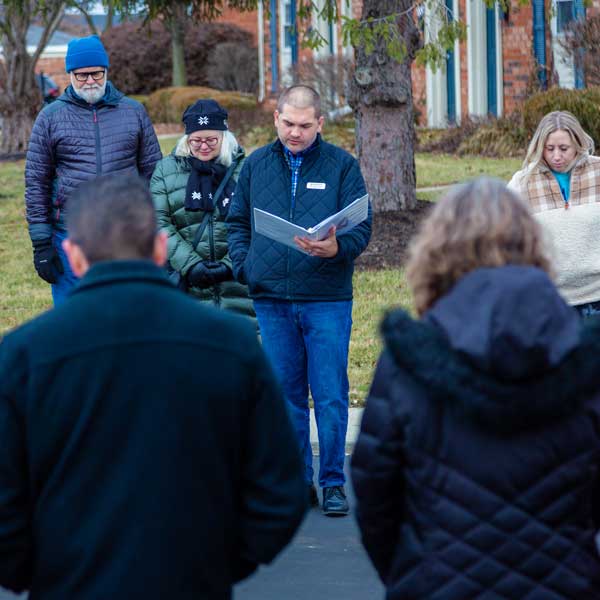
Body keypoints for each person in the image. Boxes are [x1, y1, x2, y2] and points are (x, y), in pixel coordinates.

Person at [0, 174, 307, 600]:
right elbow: (279, 491)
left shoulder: (22, 356)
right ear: (161, 248)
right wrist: (217, 562)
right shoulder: (231, 344)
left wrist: (42, 571)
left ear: (72, 255)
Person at [351, 177, 600, 599]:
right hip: (564, 581)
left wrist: (408, 569)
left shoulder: (410, 359)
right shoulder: (580, 359)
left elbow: (376, 492)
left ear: (438, 249)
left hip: (436, 581)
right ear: (531, 243)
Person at [227, 84, 372, 516]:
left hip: (325, 298)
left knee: (329, 394)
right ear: (276, 119)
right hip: (271, 299)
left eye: (305, 125)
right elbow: (237, 224)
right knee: (285, 396)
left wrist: (337, 248)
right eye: (288, 123)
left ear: (320, 124)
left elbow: (362, 229)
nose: (295, 132)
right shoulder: (254, 166)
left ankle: (332, 483)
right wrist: (245, 267)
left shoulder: (343, 166)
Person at [25, 34, 162, 306]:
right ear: (70, 75)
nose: (90, 81)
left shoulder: (133, 112)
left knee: (127, 314)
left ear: (106, 71)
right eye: (82, 75)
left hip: (126, 233)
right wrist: (41, 242)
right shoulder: (50, 118)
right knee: (74, 319)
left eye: (96, 74)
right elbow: (37, 181)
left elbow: (154, 174)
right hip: (70, 234)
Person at [151, 99, 253, 318]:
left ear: (224, 138)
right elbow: (157, 221)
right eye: (196, 140)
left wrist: (230, 263)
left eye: (211, 140)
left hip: (238, 285)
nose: (203, 146)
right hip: (187, 281)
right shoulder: (165, 170)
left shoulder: (245, 170)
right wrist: (190, 264)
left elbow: (256, 222)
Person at [508, 110, 600, 317]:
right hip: (547, 301)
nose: (556, 156)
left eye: (564, 148)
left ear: (578, 144)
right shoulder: (522, 182)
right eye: (549, 149)